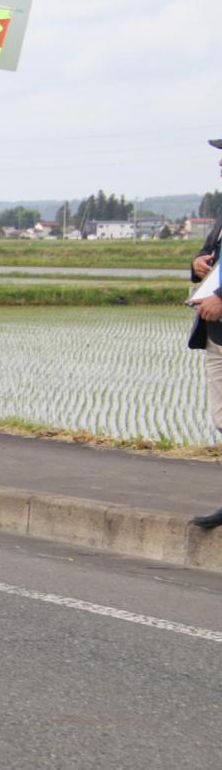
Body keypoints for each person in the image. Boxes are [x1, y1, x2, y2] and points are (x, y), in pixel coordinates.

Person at [188, 137, 222, 530]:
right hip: (216, 332)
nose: (220, 164)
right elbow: (207, 255)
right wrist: (196, 264)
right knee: (221, 418)